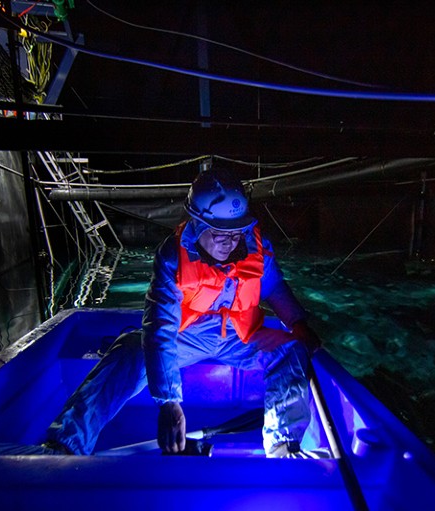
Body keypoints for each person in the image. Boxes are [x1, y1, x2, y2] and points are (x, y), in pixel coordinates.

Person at [46, 170, 323, 458]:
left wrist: (298, 323)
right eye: (218, 234)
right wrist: (169, 402)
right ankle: (64, 445)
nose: (229, 243)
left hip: (241, 337)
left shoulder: (257, 246)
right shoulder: (171, 256)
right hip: (187, 336)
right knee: (129, 350)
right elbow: (160, 327)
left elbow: (274, 287)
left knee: (291, 351)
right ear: (197, 224)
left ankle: (283, 448)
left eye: (236, 232)